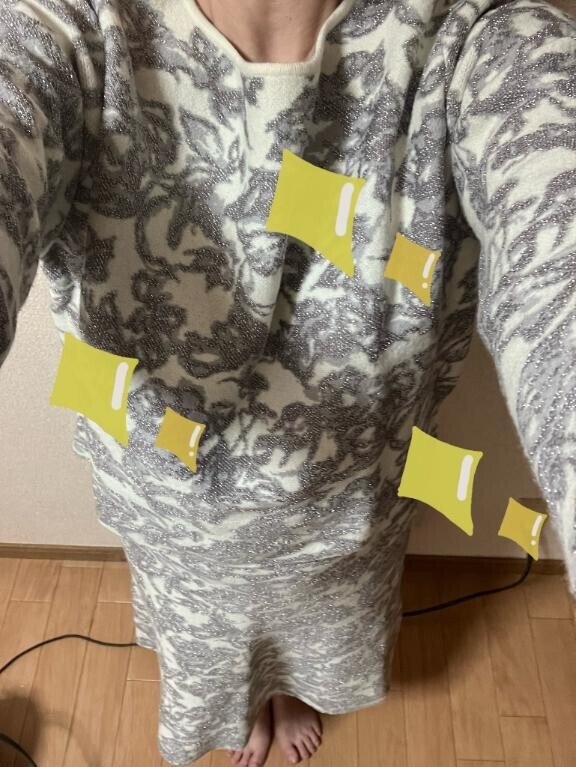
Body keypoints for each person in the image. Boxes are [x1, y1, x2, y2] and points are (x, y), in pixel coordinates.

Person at [0, 1, 574, 766]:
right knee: (214, 650)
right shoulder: (65, 29)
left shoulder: (481, 37)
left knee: (313, 641)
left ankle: (292, 689)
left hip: (351, 511)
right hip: (175, 513)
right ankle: (245, 703)